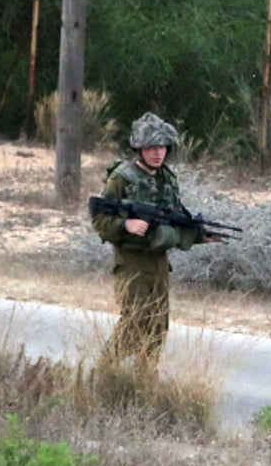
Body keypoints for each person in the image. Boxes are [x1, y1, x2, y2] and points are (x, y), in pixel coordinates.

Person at [90, 111, 221, 389]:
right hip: (132, 261)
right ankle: (101, 377)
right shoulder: (121, 178)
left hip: (159, 263)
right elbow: (100, 219)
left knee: (157, 326)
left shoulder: (167, 179)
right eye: (151, 147)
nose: (157, 153)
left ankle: (144, 382)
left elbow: (172, 220)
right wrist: (126, 225)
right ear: (139, 148)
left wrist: (199, 236)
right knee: (134, 322)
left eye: (162, 147)